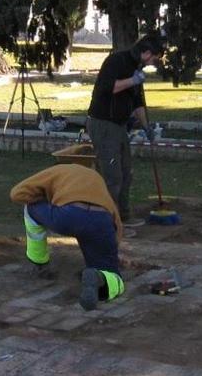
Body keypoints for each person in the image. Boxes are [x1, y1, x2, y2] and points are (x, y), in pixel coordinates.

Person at [10, 164, 125, 311]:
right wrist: (110, 250)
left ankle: (39, 261)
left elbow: (16, 194)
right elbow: (116, 219)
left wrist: (46, 201)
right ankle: (100, 277)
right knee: (112, 275)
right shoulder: (96, 178)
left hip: (68, 217)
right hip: (101, 221)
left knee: (30, 207)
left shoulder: (55, 171)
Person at [86, 35, 165, 226]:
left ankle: (123, 216)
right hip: (103, 124)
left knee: (125, 172)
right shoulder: (116, 61)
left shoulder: (136, 69)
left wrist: (147, 127)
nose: (153, 62)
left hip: (120, 126)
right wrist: (133, 80)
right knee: (112, 176)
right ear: (146, 52)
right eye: (154, 58)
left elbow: (138, 103)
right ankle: (108, 223)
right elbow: (108, 87)